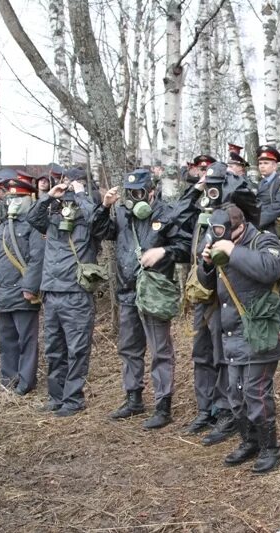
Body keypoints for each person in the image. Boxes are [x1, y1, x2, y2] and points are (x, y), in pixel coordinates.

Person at [92, 169, 198, 429]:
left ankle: (163, 405)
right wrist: (104, 207)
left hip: (155, 292)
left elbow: (186, 247)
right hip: (128, 291)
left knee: (160, 350)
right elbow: (99, 231)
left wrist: (163, 251)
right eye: (130, 193)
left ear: (151, 191)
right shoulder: (123, 215)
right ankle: (133, 398)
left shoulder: (166, 213)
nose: (135, 198)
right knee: (129, 348)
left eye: (139, 192)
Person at [197, 204, 280, 473]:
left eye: (227, 232)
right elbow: (207, 284)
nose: (221, 238)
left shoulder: (263, 240)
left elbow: (271, 268)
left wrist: (232, 251)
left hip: (260, 330)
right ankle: (249, 441)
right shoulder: (219, 242)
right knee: (235, 393)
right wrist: (207, 264)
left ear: (240, 226)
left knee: (256, 393)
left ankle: (270, 448)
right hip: (232, 331)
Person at [183, 161, 259, 445]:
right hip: (204, 288)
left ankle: (226, 410)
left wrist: (228, 182)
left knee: (224, 353)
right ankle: (207, 409)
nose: (212, 190)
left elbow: (254, 205)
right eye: (209, 184)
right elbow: (179, 218)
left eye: (218, 185)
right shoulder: (203, 208)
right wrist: (197, 190)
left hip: (227, 293)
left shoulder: (237, 207)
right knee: (201, 352)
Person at [27, 176, 102, 417]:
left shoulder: (89, 221)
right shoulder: (53, 219)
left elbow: (99, 219)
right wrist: (49, 196)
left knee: (77, 349)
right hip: (52, 292)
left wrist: (81, 194)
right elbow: (32, 218)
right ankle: (56, 396)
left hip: (76, 294)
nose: (68, 198)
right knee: (54, 349)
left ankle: (73, 399)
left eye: (74, 187)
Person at [0, 176, 44, 395]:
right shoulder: (3, 226)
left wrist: (30, 287)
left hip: (22, 294)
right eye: (12, 197)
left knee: (26, 341)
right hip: (3, 294)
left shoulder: (34, 226)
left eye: (19, 197)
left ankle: (26, 383)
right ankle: (8, 379)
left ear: (30, 199)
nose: (14, 202)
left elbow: (38, 259)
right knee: (6, 341)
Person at [255, 145, 280, 234]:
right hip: (262, 226)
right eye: (260, 163)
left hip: (276, 228)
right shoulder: (262, 182)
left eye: (266, 163)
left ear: (275, 166)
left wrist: (258, 221)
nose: (262, 166)